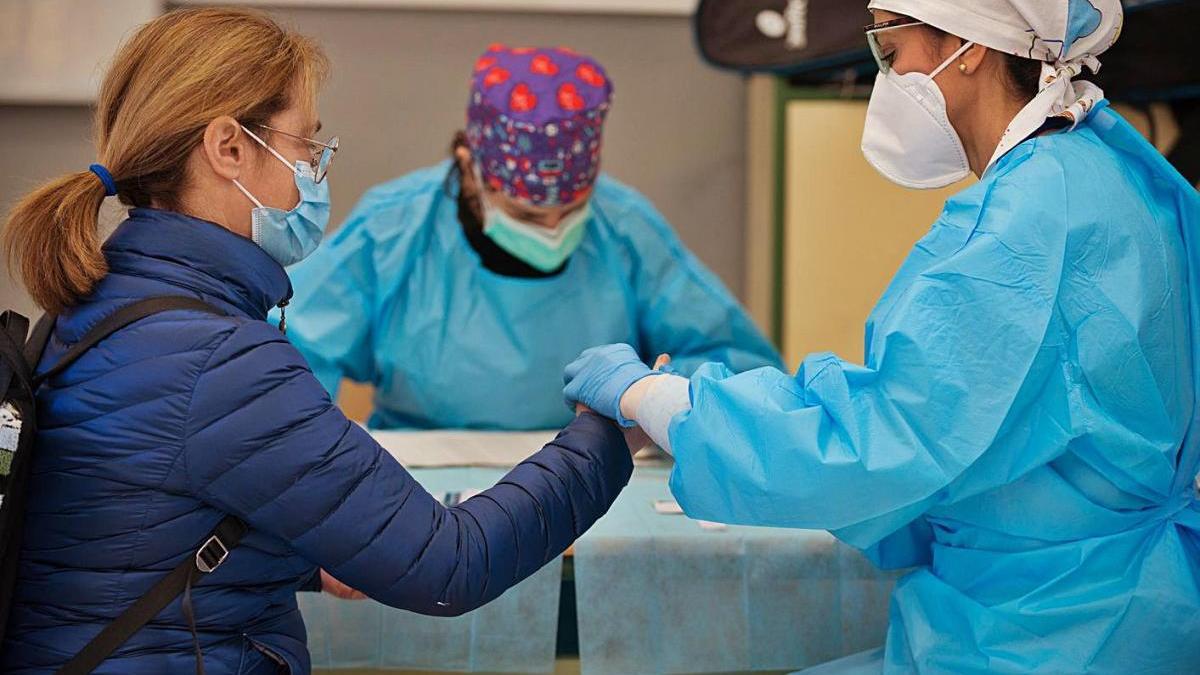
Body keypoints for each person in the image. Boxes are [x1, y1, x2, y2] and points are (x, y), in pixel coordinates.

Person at [564, 1, 1200, 672]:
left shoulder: (1022, 227)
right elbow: (978, 442)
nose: (885, 78)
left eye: (891, 52)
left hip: (1044, 634)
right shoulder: (1103, 169)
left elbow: (877, 440)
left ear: (969, 44)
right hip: (1126, 608)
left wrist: (661, 400)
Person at [0, 9, 633, 674]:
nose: (315, 170)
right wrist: (608, 431)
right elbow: (449, 562)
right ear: (229, 149)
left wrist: (308, 551)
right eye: (306, 147)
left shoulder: (102, 302)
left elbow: (135, 535)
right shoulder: (223, 360)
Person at [284, 44, 781, 431]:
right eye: (525, 212)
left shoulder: (624, 226)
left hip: (592, 470)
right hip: (421, 483)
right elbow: (289, 361)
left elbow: (738, 365)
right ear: (471, 167)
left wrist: (657, 397)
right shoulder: (394, 228)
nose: (551, 230)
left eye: (570, 210)